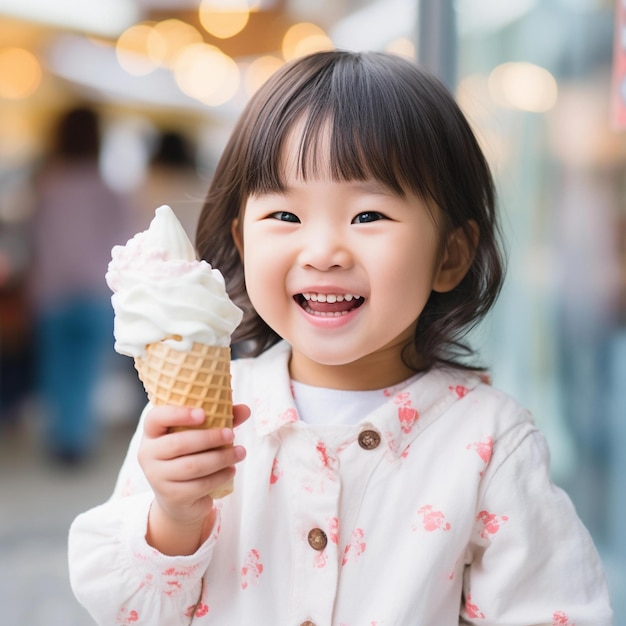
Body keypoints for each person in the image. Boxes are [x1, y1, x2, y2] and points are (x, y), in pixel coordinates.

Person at [68, 51, 613, 624]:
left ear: (449, 254)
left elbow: (551, 609)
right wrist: (174, 517)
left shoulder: (490, 444)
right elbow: (125, 607)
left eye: (368, 216)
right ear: (242, 239)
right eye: (284, 216)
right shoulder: (200, 419)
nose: (324, 251)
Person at [29, 105, 132, 463]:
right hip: (94, 292)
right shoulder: (108, 188)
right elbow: (126, 238)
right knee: (88, 369)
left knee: (57, 368)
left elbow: (35, 240)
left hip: (52, 292)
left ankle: (64, 437)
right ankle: (77, 438)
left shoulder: (46, 184)